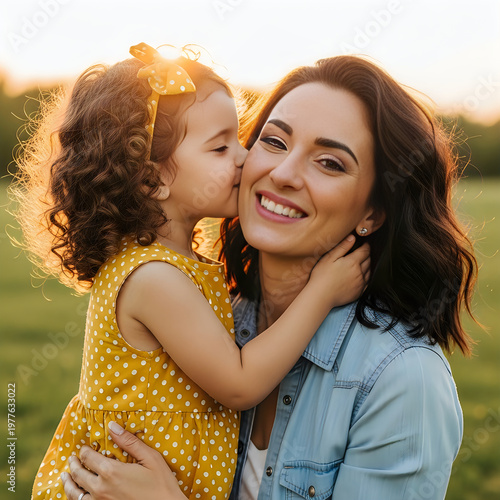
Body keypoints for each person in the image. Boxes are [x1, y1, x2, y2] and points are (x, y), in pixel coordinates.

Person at [60, 55, 477, 500]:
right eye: (274, 142)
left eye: (330, 163)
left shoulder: (401, 381)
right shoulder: (220, 319)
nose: (280, 173)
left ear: (373, 212)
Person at [12, 44, 371, 500]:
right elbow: (239, 384)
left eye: (239, 139)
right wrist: (321, 291)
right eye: (221, 146)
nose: (245, 158)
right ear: (153, 179)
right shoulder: (154, 279)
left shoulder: (170, 264)